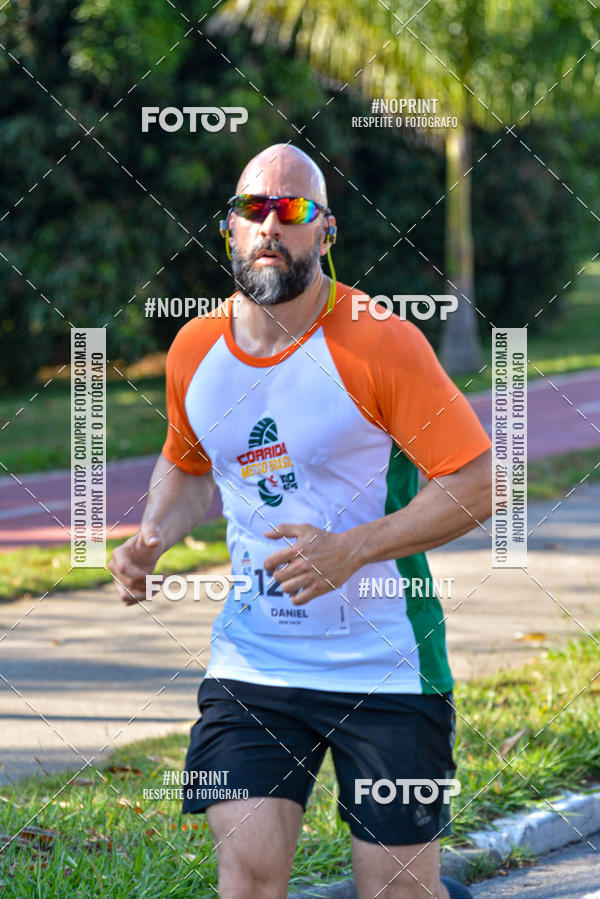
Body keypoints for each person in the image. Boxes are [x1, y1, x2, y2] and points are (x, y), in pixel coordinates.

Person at [109, 143, 491, 899]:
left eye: (293, 211)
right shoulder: (194, 349)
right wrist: (153, 532)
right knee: (247, 875)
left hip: (387, 668)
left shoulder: (380, 341)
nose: (271, 228)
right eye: (255, 210)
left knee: (397, 889)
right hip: (255, 665)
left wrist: (353, 549)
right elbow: (190, 465)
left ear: (326, 232)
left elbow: (478, 482)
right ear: (229, 228)